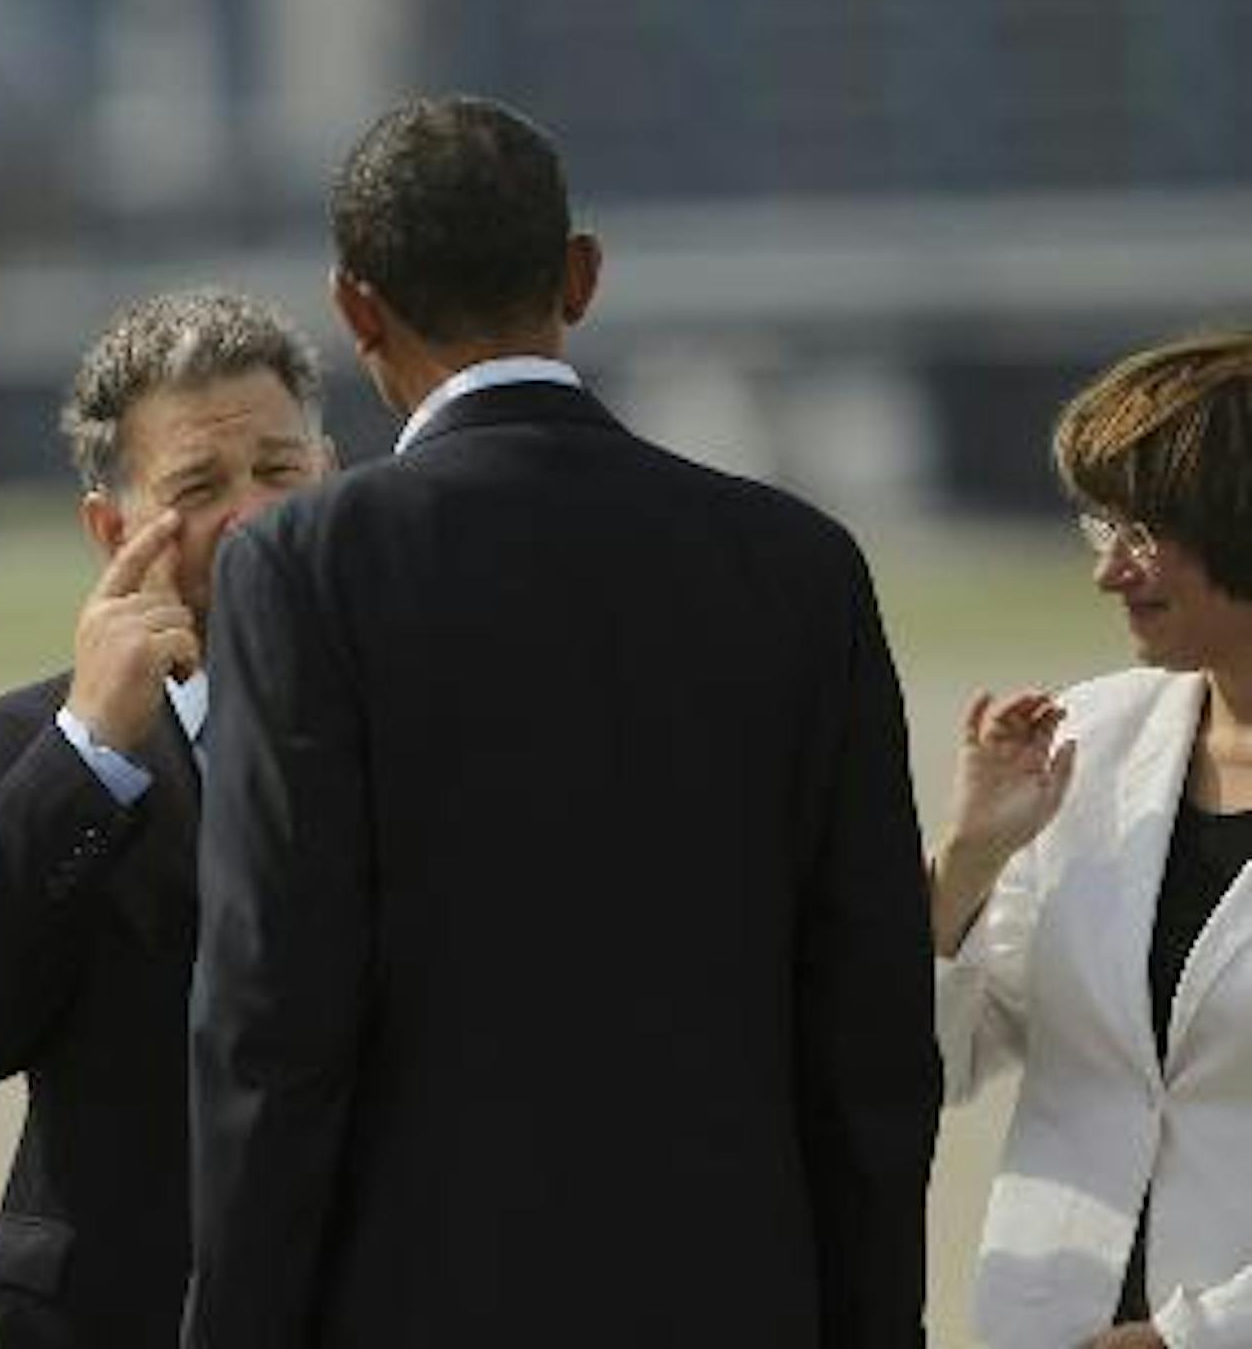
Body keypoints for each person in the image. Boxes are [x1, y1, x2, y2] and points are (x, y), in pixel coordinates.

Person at [183, 95, 941, 1347]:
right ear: (581, 276)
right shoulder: (799, 564)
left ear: (355, 308)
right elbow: (871, 1020)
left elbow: (273, 1015)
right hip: (736, 1299)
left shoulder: (306, 566)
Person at [0, 288, 331, 1346]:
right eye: (199, 487)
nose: (254, 515)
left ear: (331, 473)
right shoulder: (3, 760)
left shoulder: (428, 721)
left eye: (279, 470)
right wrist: (89, 750)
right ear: (111, 528)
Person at [934, 330, 1252, 1349]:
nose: (1110, 572)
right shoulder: (1089, 741)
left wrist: (1190, 1338)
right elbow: (931, 1067)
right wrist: (970, 861)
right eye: (1102, 527)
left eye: (1145, 533)